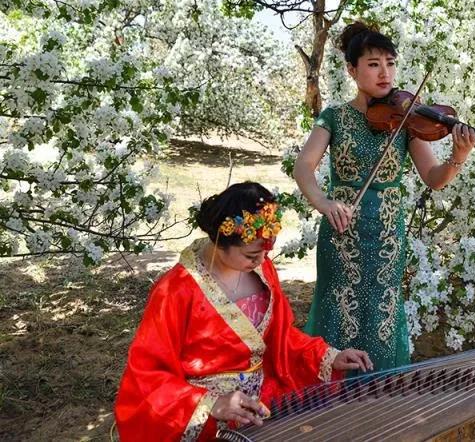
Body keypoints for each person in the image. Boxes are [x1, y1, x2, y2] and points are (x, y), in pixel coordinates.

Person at [114, 182, 372, 441]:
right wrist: (209, 404)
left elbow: (281, 338)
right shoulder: (176, 290)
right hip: (205, 418)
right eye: (250, 255)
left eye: (264, 252)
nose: (260, 261)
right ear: (220, 242)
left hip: (261, 405)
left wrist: (328, 356)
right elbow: (148, 372)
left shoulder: (261, 270)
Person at [293, 21, 475, 372]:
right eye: (374, 64)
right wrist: (324, 203)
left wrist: (459, 157)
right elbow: (304, 167)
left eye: (390, 63)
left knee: (383, 309)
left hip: (388, 235)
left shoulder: (406, 119)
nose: (385, 73)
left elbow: (434, 178)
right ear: (352, 69)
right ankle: (330, 399)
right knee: (338, 308)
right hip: (341, 233)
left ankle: (378, 398)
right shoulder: (334, 116)